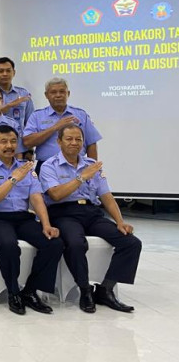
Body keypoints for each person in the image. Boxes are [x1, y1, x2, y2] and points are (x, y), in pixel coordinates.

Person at [40, 124, 141, 313]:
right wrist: (81, 177)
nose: (74, 143)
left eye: (78, 139)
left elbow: (106, 197)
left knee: (131, 243)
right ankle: (85, 289)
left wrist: (120, 221)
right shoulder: (49, 165)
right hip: (64, 213)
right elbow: (55, 195)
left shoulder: (91, 165)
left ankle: (105, 289)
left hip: (91, 212)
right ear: (59, 142)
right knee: (76, 243)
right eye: (69, 139)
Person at [0, 125, 64, 316]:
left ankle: (30, 291)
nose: (9, 146)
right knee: (8, 245)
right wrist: (13, 179)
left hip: (22, 217)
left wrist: (46, 224)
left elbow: (37, 198)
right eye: (4, 141)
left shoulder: (27, 169)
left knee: (54, 243)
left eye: (13, 141)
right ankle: (13, 291)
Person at [24, 77, 101, 170]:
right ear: (46, 95)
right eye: (53, 92)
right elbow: (27, 142)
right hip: (46, 166)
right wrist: (54, 128)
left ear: (68, 94)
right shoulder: (37, 116)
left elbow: (91, 143)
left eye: (62, 92)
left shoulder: (81, 115)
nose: (58, 95)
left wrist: (92, 169)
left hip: (76, 166)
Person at [0, 57, 34, 128]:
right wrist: (10, 105)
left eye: (8, 71)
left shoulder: (23, 93)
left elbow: (30, 121)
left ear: (13, 73)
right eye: (1, 71)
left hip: (18, 137)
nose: (5, 74)